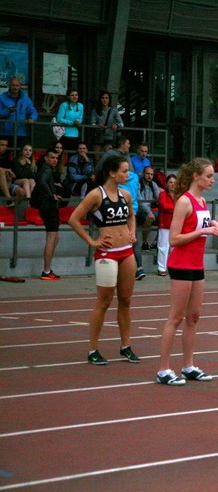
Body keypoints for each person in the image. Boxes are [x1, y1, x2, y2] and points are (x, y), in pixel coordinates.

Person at [156, 158, 218, 386]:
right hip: (181, 263)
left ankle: (188, 366)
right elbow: (174, 239)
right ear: (196, 176)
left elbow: (198, 224)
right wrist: (203, 231)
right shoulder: (184, 201)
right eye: (208, 176)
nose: (212, 180)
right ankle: (163, 369)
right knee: (176, 317)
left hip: (196, 264)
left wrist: (213, 223)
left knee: (194, 317)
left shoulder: (202, 200)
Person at [67, 155, 140, 366]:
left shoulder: (125, 195)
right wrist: (92, 241)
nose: (128, 175)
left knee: (126, 300)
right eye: (124, 171)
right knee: (104, 301)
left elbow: (131, 216)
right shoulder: (95, 195)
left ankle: (125, 346)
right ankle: (93, 349)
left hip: (126, 252)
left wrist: (132, 232)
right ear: (112, 173)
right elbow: (73, 219)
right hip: (107, 254)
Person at [32, 148, 63, 280]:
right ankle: (46, 270)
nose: (55, 160)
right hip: (48, 206)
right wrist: (51, 195)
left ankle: (47, 268)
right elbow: (41, 182)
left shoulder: (46, 169)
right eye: (52, 157)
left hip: (47, 205)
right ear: (46, 158)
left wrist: (54, 194)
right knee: (52, 237)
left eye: (56, 158)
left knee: (55, 238)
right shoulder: (46, 169)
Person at [0, 77, 37, 144]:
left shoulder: (25, 98)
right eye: (13, 85)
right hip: (5, 133)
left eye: (17, 85)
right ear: (9, 86)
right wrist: (8, 111)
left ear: (20, 86)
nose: (15, 87)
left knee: (21, 150)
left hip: (20, 132)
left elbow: (33, 111)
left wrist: (32, 118)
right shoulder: (2, 97)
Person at [90, 90, 123, 157]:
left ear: (109, 99)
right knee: (96, 157)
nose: (105, 100)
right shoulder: (95, 110)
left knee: (108, 157)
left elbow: (121, 124)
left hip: (109, 136)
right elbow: (92, 123)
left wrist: (116, 125)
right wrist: (97, 125)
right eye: (103, 98)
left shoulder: (114, 110)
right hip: (98, 136)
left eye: (106, 98)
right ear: (100, 99)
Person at [156, 174, 177, 276]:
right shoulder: (163, 194)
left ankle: (173, 267)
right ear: (166, 184)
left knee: (174, 248)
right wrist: (176, 208)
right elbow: (164, 206)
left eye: (174, 182)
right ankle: (161, 268)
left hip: (176, 225)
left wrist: (174, 208)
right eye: (170, 182)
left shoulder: (179, 195)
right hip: (165, 224)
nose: (172, 184)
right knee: (163, 247)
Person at [138, 167, 161, 250]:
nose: (149, 176)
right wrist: (149, 212)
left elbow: (159, 197)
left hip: (149, 210)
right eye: (147, 174)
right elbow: (139, 201)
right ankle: (144, 243)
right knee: (149, 218)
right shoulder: (138, 184)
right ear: (143, 174)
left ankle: (155, 242)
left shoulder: (153, 184)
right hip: (139, 210)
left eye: (151, 174)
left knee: (166, 218)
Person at [0, 138, 23, 205]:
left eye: (6, 145)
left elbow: (11, 169)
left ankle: (11, 206)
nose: (4, 147)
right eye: (2, 145)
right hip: (2, 178)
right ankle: (8, 198)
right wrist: (7, 170)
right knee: (2, 172)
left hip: (6, 183)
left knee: (21, 192)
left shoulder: (5, 156)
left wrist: (11, 173)